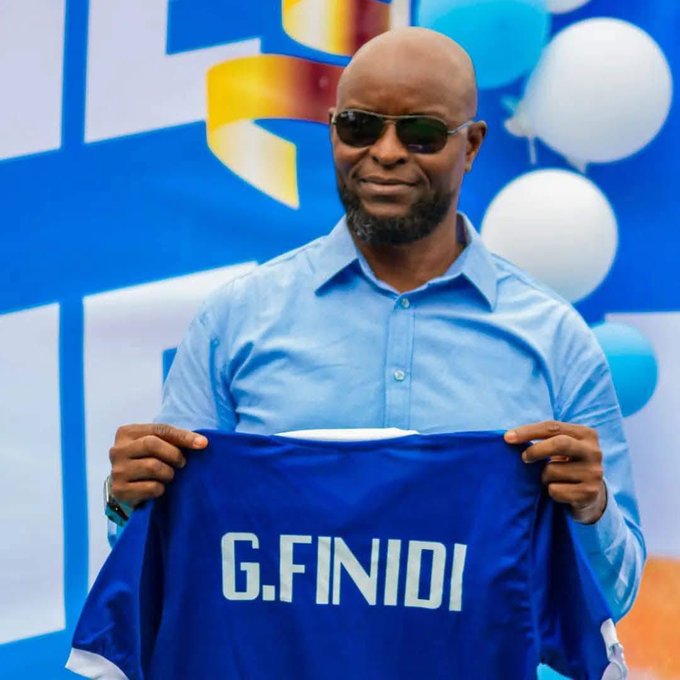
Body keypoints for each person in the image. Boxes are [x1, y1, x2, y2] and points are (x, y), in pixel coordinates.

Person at [106, 27, 644, 620]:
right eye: (360, 126)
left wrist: (591, 511)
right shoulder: (236, 320)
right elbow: (165, 562)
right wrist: (128, 500)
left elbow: (614, 598)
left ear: (471, 146)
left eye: (421, 133)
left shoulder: (556, 340)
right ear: (332, 130)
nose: (386, 153)